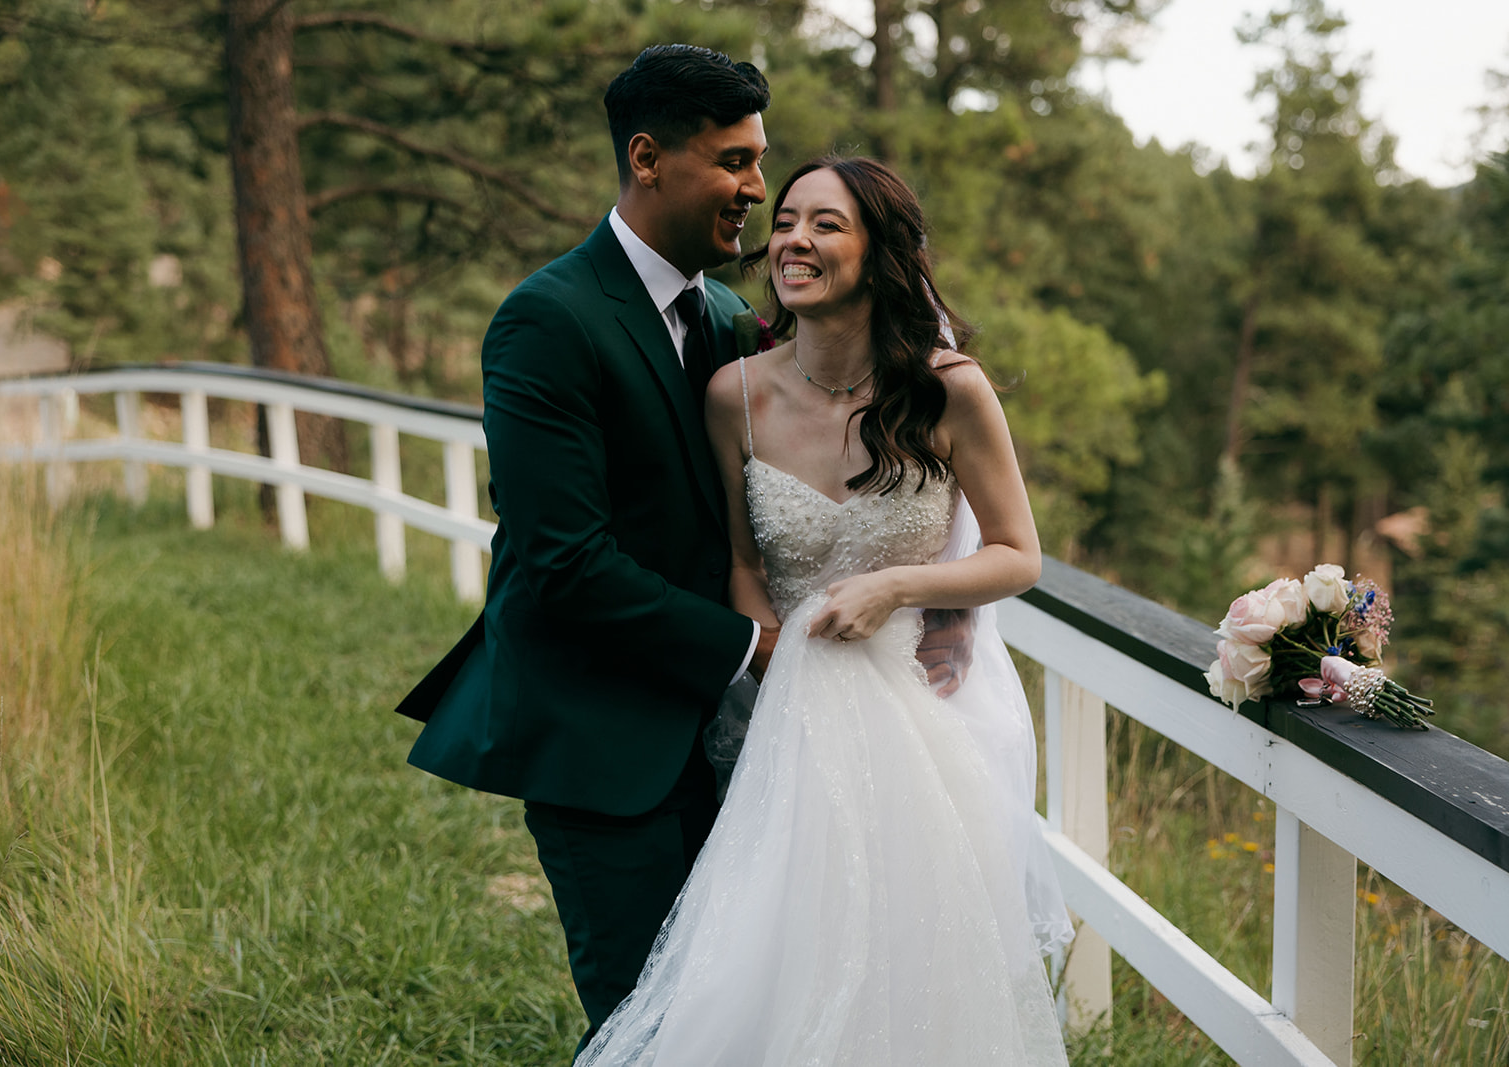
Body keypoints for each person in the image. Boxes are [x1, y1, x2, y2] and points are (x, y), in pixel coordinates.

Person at [575, 157, 1073, 1065]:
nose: (795, 239)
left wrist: (898, 587)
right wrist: (774, 673)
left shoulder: (950, 388)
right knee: (775, 954)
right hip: (786, 718)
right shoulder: (737, 395)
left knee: (911, 966)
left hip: (916, 722)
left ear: (881, 253)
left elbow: (1017, 554)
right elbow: (741, 562)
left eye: (827, 224)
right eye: (788, 220)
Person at [393, 45, 776, 1054]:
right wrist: (751, 645)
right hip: (600, 745)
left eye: (759, 161)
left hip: (727, 743)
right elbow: (564, 562)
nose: (755, 189)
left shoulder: (733, 320)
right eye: (733, 160)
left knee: (737, 1014)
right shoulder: (547, 319)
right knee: (646, 1026)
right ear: (647, 158)